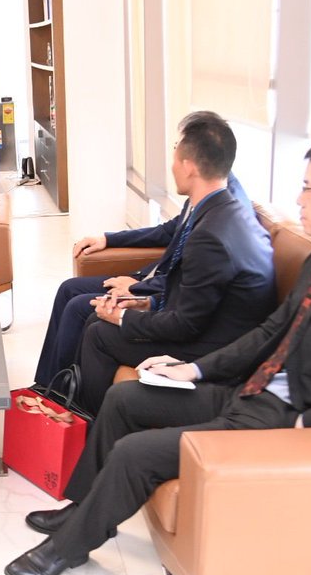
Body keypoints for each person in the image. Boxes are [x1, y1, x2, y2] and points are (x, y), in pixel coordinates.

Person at [4, 129, 311, 575]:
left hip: (287, 419)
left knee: (137, 453)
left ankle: (68, 548)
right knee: (126, 399)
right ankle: (86, 508)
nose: (299, 199)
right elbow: (272, 332)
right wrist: (192, 369)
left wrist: (307, 424)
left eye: (310, 188)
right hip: (250, 393)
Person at [69, 112, 275, 415]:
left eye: (175, 156)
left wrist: (125, 319)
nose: (172, 164)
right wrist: (144, 304)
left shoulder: (211, 236)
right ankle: (72, 413)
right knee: (96, 320)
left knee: (99, 333)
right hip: (213, 325)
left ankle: (88, 424)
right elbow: (193, 297)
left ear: (189, 166)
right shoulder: (222, 209)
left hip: (215, 346)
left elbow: (187, 324)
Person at [32, 170, 252, 389]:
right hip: (153, 281)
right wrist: (108, 239)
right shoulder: (203, 192)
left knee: (80, 308)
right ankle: (47, 385)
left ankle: (60, 393)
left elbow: (196, 283)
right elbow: (167, 231)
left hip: (165, 293)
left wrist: (140, 288)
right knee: (69, 289)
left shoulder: (224, 208)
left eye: (179, 146)